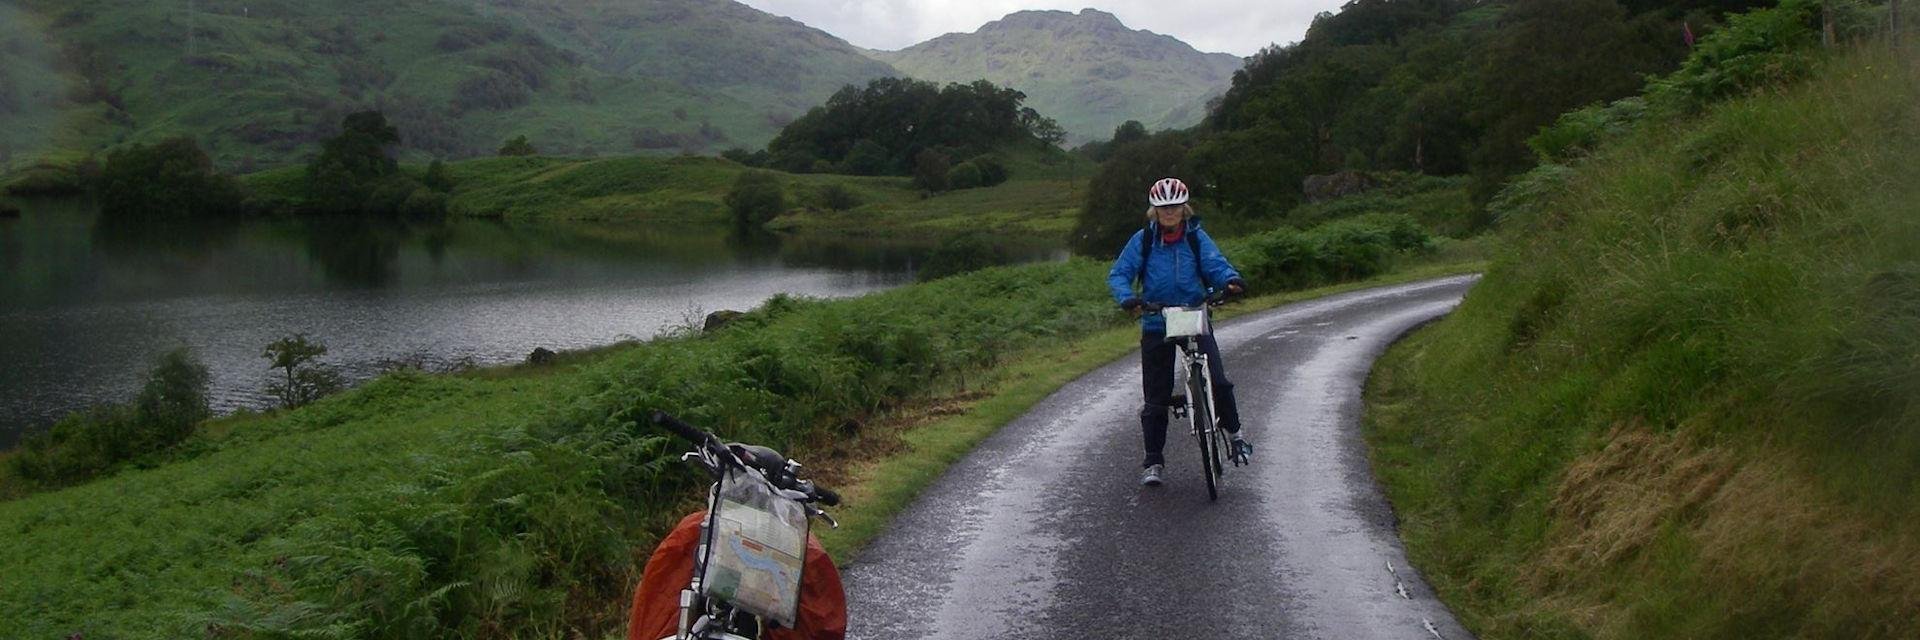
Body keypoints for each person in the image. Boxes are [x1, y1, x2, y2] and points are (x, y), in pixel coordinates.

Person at [1106, 177, 1252, 487]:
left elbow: (1216, 265)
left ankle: (1235, 434)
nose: (1169, 212)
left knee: (1219, 380)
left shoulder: (1197, 238)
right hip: (1157, 320)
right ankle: (1153, 461)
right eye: (1163, 208)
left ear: (1183, 208)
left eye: (1174, 207)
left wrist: (1230, 281)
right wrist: (1128, 297)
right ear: (1154, 211)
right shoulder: (1143, 241)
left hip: (1193, 314)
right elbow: (1120, 274)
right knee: (1155, 397)